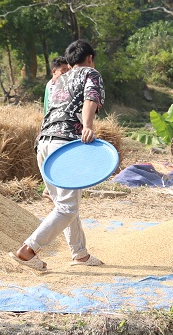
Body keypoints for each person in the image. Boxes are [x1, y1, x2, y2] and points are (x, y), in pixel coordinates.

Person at [11, 40, 105, 271]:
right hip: (65, 148)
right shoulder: (90, 74)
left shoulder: (56, 81)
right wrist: (88, 126)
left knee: (65, 204)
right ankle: (28, 251)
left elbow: (49, 112)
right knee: (67, 208)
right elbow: (90, 99)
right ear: (90, 58)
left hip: (44, 145)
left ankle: (80, 254)